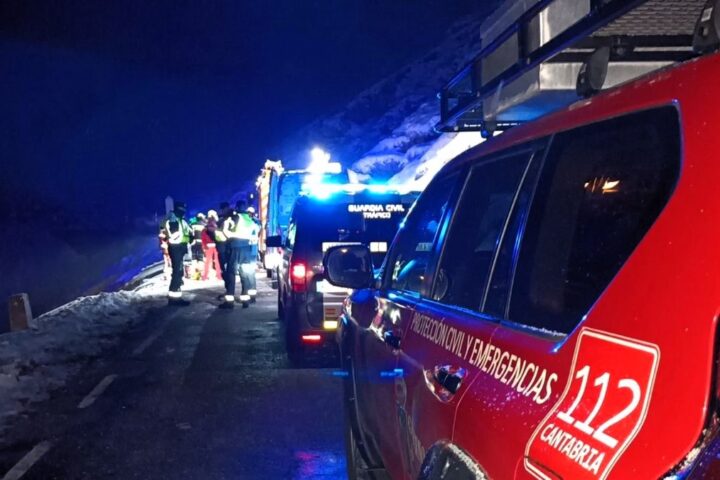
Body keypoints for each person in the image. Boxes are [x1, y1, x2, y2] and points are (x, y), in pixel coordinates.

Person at [219, 200, 257, 309]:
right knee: (244, 274)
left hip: (235, 247)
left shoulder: (235, 218)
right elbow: (255, 231)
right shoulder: (249, 219)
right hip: (247, 248)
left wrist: (230, 236)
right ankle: (245, 300)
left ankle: (229, 301)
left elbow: (225, 230)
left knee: (231, 273)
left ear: (237, 207)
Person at [165, 202, 191, 306]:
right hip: (176, 248)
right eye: (182, 209)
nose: (184, 211)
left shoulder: (181, 220)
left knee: (179, 273)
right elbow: (174, 234)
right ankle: (174, 299)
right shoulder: (173, 219)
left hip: (180, 248)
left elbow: (188, 232)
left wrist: (190, 237)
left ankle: (176, 297)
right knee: (177, 272)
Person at [202, 211, 223, 281]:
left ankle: (205, 276)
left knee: (208, 261)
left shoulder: (205, 228)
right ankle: (219, 276)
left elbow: (203, 237)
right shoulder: (217, 226)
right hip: (216, 245)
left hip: (208, 246)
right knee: (217, 261)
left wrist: (204, 246)